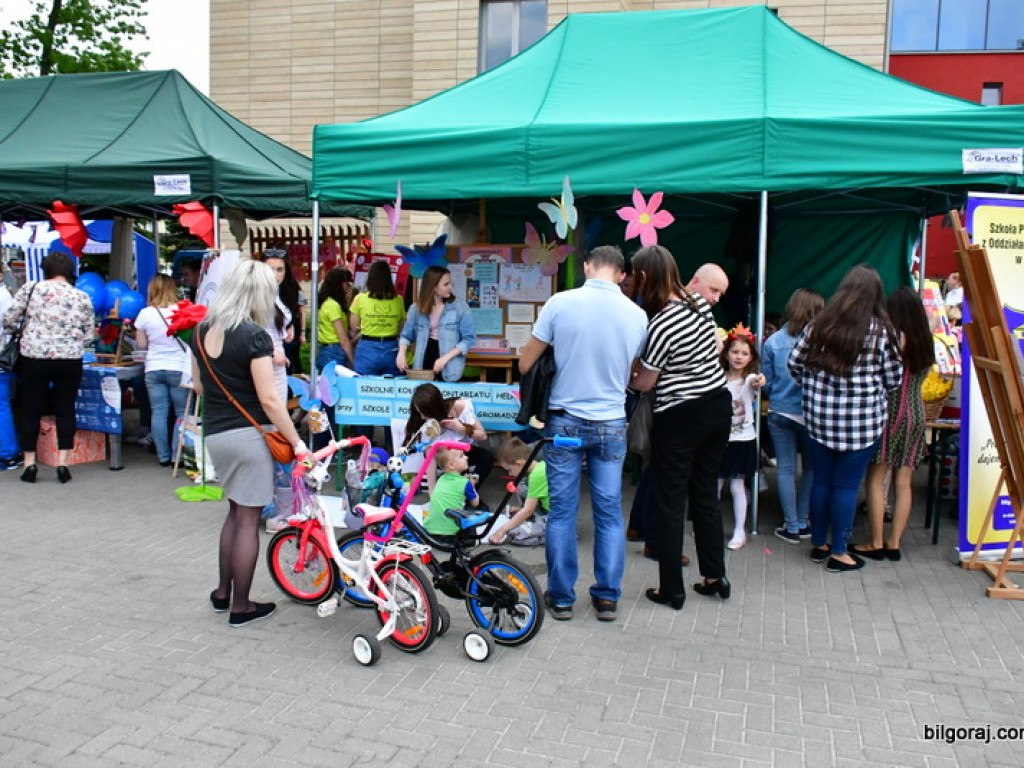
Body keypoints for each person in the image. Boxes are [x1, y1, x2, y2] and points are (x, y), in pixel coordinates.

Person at [520, 245, 647, 623]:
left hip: (565, 420)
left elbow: (527, 362)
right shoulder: (637, 315)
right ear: (622, 274)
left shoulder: (560, 303)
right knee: (609, 512)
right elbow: (636, 373)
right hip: (611, 422)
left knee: (562, 512)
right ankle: (607, 596)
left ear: (588, 267)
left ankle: (560, 597)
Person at [190, 259, 310, 627]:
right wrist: (297, 442)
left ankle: (222, 593)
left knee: (235, 512)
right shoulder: (254, 336)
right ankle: (241, 606)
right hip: (249, 434)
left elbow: (198, 386)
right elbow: (271, 399)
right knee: (248, 519)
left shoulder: (200, 330)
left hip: (217, 433)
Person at [629, 245, 731, 611]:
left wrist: (631, 371)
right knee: (705, 496)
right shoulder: (700, 305)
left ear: (645, 278)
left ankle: (671, 589)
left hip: (681, 415)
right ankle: (715, 576)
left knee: (671, 502)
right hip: (718, 406)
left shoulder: (661, 323)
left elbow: (646, 383)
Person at [788, 264, 902, 573]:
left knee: (821, 481)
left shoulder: (818, 324)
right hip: (862, 424)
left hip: (819, 419)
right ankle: (839, 552)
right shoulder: (882, 331)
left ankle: (818, 545)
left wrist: (816, 388)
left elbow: (794, 363)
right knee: (846, 487)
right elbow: (893, 378)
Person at [854, 286, 935, 561]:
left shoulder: (893, 337)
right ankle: (895, 542)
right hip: (917, 412)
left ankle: (875, 542)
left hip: (890, 413)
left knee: (876, 478)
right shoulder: (927, 340)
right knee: (904, 480)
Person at [2, 253, 94, 484]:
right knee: (65, 408)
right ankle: (62, 463)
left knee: (31, 409)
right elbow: (89, 334)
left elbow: (9, 321)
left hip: (35, 356)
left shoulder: (32, 289)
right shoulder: (81, 296)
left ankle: (30, 464)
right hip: (69, 359)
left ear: (45, 270)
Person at [763, 288, 824, 544]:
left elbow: (766, 384)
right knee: (810, 468)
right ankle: (803, 519)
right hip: (810, 414)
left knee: (786, 469)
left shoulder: (773, 341)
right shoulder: (821, 342)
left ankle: (791, 526)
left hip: (779, 410)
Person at [717, 325, 766, 551]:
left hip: (742, 440)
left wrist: (759, 382)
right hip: (718, 440)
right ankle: (709, 525)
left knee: (737, 486)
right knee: (714, 485)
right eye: (735, 352)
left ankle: (739, 530)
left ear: (751, 357)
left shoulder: (749, 380)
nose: (739, 357)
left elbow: (756, 382)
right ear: (726, 353)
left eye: (744, 353)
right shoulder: (716, 378)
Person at [133, 274, 189, 467]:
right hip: (179, 368)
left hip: (154, 368)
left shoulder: (145, 314)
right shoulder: (183, 311)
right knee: (182, 413)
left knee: (159, 413)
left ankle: (163, 456)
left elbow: (141, 345)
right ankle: (176, 456)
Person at [403, 382, 494, 488]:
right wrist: (432, 493)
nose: (422, 417)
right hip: (442, 458)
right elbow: (430, 455)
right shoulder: (424, 422)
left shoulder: (458, 406)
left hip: (461, 452)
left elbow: (482, 435)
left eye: (425, 413)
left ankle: (470, 493)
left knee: (486, 458)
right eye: (419, 413)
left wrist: (460, 428)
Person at [397, 265, 475, 381]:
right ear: (433, 287)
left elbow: (469, 339)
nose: (450, 287)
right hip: (423, 361)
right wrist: (401, 353)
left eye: (450, 283)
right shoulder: (416, 309)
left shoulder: (460, 307)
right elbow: (406, 336)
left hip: (449, 364)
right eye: (446, 284)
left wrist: (444, 358)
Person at [489, 437, 549, 546]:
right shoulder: (536, 468)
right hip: (544, 510)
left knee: (514, 535)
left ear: (518, 464)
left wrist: (502, 530)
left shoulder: (537, 475)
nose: (509, 474)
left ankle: (555, 536)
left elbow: (528, 510)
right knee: (520, 484)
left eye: (509, 470)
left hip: (553, 517)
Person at [350, 259, 405, 377]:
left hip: (368, 347)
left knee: (363, 386)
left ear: (370, 278)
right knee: (390, 387)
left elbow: (353, 327)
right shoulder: (398, 300)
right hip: (391, 347)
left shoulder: (360, 298)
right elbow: (401, 328)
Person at [262, 249, 306, 373]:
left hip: (279, 355)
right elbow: (251, 329)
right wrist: (272, 350)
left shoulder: (282, 293)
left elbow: (298, 310)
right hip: (262, 357)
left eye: (280, 269)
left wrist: (288, 325)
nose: (275, 274)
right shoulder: (256, 294)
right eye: (270, 269)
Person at [424, 447, 479, 542]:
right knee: (473, 512)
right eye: (461, 456)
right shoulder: (465, 483)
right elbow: (475, 503)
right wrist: (472, 485)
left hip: (430, 532)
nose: (466, 457)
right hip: (452, 533)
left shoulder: (441, 479)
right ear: (451, 465)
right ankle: (470, 541)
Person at [316, 266, 355, 372]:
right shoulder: (333, 305)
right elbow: (343, 339)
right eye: (346, 283)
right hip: (334, 351)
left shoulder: (328, 302)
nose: (348, 287)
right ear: (338, 284)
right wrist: (352, 360)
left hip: (328, 350)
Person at [0, 258, 19, 470]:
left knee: (2, 407)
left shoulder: (4, 297)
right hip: (3, 358)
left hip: (1, 358)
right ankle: (8, 452)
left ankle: (8, 453)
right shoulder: (6, 298)